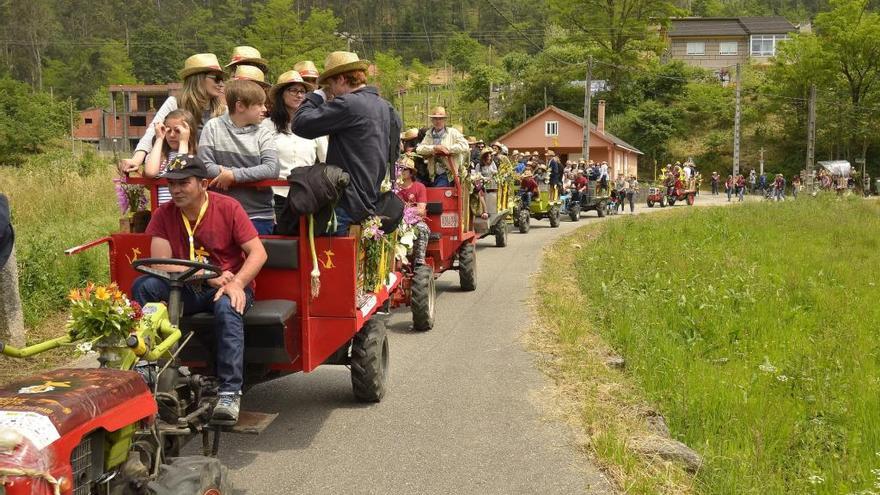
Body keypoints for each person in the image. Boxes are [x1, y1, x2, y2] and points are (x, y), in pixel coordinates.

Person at [131, 155, 268, 425]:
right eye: (172, 184)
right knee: (144, 286)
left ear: (204, 184)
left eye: (184, 183)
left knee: (228, 306)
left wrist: (239, 283)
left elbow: (258, 253)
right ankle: (149, 368)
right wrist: (205, 277)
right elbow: (159, 263)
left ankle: (230, 392)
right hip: (187, 288)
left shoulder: (228, 207)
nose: (176, 190)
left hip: (229, 285)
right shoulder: (165, 213)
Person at [293, 51, 401, 236]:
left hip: (345, 201)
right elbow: (394, 152)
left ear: (342, 79)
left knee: (329, 262)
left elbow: (300, 124)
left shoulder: (349, 104)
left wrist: (317, 95)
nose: (331, 90)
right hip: (369, 201)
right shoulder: (386, 107)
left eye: (331, 84)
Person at [118, 54, 226, 174]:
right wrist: (136, 159)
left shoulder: (223, 111)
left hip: (211, 176)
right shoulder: (174, 103)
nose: (221, 84)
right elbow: (153, 133)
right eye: (216, 78)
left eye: (222, 79)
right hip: (182, 176)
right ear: (198, 79)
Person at [198, 79, 279, 235]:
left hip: (258, 215)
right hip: (220, 213)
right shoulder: (213, 127)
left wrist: (233, 175)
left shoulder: (264, 133)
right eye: (259, 104)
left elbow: (272, 169)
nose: (264, 109)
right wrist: (234, 175)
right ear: (240, 106)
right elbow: (204, 166)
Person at [263, 70, 328, 219]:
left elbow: (325, 160)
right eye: (293, 90)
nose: (299, 95)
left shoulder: (315, 125)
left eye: (302, 91)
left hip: (306, 196)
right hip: (274, 195)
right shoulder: (266, 126)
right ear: (281, 94)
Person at [144, 109, 198, 205]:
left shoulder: (194, 156)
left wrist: (183, 141)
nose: (172, 135)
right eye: (168, 130)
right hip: (163, 215)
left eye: (178, 131)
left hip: (184, 215)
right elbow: (150, 172)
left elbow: (179, 171)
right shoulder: (161, 156)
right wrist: (159, 138)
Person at [416, 106, 468, 187]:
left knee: (438, 192)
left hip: (448, 174)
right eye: (435, 119)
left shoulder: (453, 132)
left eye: (440, 119)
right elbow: (419, 149)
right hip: (433, 175)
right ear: (432, 120)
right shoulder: (429, 134)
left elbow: (465, 145)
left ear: (444, 120)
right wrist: (434, 148)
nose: (438, 121)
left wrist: (447, 149)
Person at [396, 157, 429, 266]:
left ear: (411, 173)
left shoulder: (419, 187)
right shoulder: (394, 188)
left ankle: (420, 261)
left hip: (414, 222)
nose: (401, 171)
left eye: (404, 169)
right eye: (399, 169)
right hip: (397, 221)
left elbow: (420, 210)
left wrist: (406, 210)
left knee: (422, 228)